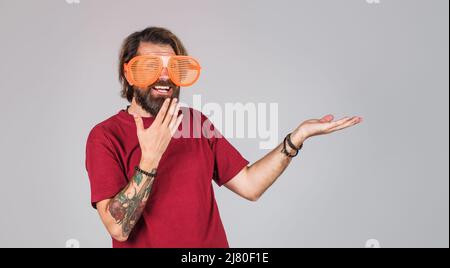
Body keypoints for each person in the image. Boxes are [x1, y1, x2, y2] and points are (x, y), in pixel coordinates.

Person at [85, 26, 363, 248]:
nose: (164, 77)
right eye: (150, 67)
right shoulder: (105, 136)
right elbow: (118, 229)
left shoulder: (195, 122)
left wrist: (296, 138)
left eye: (174, 68)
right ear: (129, 72)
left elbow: (250, 185)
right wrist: (150, 158)